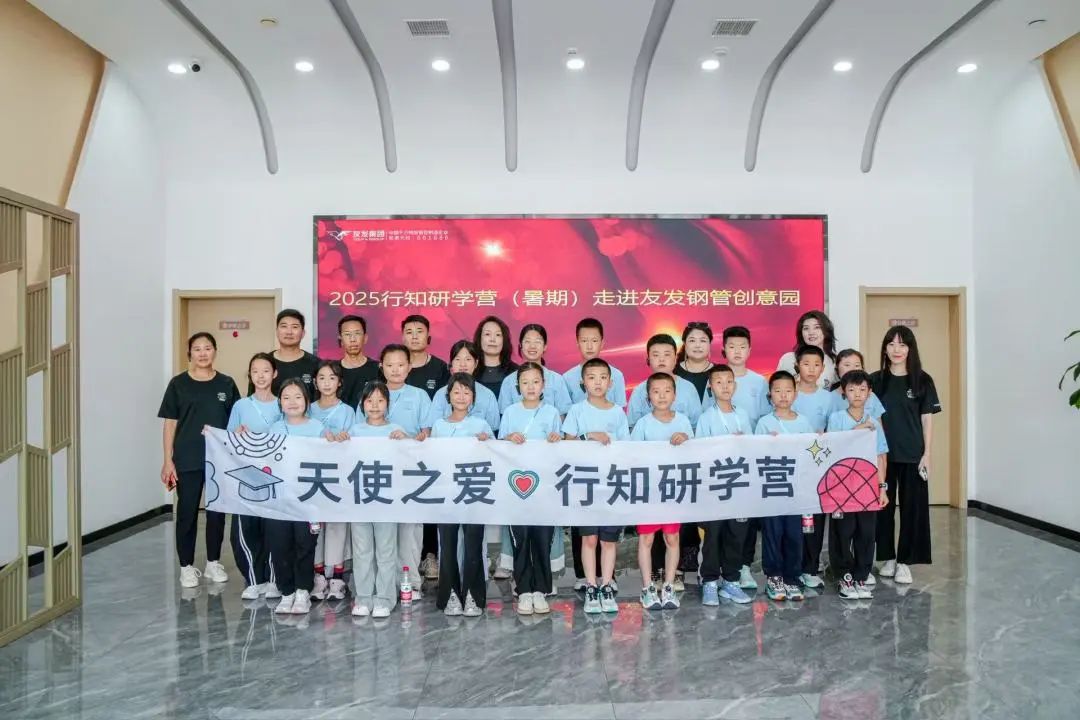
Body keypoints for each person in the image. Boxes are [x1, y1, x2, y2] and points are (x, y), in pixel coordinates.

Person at [159, 332, 240, 589]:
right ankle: (186, 567)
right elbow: (170, 424)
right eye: (197, 349)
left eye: (207, 348)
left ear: (215, 351)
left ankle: (213, 563)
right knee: (187, 512)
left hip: (220, 460)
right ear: (190, 353)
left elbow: (235, 422)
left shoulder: (226, 383)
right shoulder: (178, 384)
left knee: (216, 514)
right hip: (187, 458)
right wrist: (167, 460)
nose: (203, 353)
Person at [420, 339, 501, 580]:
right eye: (458, 359)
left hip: (474, 479)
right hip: (447, 481)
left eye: (468, 359)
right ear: (450, 364)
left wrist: (485, 441)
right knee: (448, 536)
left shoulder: (486, 398)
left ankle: (476, 580)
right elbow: (433, 437)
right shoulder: (440, 398)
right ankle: (450, 581)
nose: (463, 363)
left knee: (475, 535)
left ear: (476, 363)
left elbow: (494, 438)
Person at [871, 326, 940, 585]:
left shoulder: (923, 380)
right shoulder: (876, 380)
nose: (896, 350)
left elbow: (927, 419)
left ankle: (904, 562)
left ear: (910, 349)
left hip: (913, 456)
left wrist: (927, 454)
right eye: (891, 344)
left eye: (902, 344)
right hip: (882, 457)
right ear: (885, 349)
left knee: (913, 510)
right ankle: (888, 557)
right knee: (882, 510)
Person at [561, 358, 628, 615]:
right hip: (584, 483)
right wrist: (588, 436)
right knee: (588, 538)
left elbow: (627, 448)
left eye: (602, 377)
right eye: (591, 377)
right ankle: (591, 585)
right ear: (583, 382)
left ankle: (607, 584)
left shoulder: (617, 412)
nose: (597, 382)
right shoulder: (577, 410)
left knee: (608, 540)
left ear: (610, 383)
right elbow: (567, 443)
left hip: (611, 483)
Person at [498, 362, 562, 615]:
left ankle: (541, 589)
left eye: (536, 382)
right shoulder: (511, 412)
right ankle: (524, 589)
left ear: (543, 385)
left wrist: (556, 439)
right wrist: (508, 439)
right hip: (517, 487)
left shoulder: (552, 412)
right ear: (518, 387)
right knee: (521, 538)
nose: (531, 387)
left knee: (542, 538)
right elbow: (501, 446)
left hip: (545, 486)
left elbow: (560, 450)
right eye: (525, 382)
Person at [340, 381, 406, 618]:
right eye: (369, 401)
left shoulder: (396, 430)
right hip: (359, 500)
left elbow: (410, 460)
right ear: (362, 404)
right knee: (362, 551)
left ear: (388, 403)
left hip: (387, 501)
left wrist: (406, 440)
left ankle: (385, 599)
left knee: (386, 551)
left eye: (380, 400)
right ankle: (363, 598)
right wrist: (340, 441)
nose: (375, 405)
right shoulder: (355, 431)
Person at [432, 373, 493, 618]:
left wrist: (486, 443)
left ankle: (473, 595)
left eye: (467, 392)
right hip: (446, 494)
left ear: (473, 398)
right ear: (448, 396)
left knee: (473, 545)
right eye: (456, 391)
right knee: (447, 547)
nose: (461, 396)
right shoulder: (439, 426)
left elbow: (495, 457)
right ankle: (450, 595)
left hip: (474, 491)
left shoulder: (481, 425)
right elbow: (432, 459)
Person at [630, 373, 692, 610]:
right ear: (648, 397)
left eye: (667, 391)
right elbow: (632, 456)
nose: (662, 396)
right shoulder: (643, 424)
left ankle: (668, 585)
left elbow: (695, 453)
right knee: (646, 538)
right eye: (656, 391)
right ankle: (647, 587)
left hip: (674, 490)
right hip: (649, 491)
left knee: (672, 538)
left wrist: (686, 439)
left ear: (674, 395)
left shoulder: (683, 421)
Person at [375, 343, 432, 594]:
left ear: (409, 367)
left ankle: (411, 583)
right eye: (390, 365)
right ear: (381, 367)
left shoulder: (419, 396)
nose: (395, 369)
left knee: (410, 530)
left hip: (411, 471)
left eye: (401, 365)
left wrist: (411, 438)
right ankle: (385, 583)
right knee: (384, 529)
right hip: (380, 472)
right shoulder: (373, 393)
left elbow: (427, 433)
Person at [827, 369, 889, 600]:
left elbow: (881, 456)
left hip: (867, 488)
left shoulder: (874, 422)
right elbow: (833, 448)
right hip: (841, 488)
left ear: (869, 392)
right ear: (844, 392)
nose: (858, 394)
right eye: (852, 389)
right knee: (843, 533)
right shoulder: (836, 419)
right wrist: (857, 431)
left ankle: (861, 577)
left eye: (863, 389)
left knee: (866, 534)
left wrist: (882, 488)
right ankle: (844, 577)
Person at [266, 379, 326, 614]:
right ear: (280, 402)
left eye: (298, 397)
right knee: (280, 546)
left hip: (309, 500)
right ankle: (287, 592)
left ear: (307, 400)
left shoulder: (318, 428)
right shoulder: (274, 429)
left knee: (305, 545)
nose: (292, 402)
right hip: (279, 501)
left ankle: (302, 591)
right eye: (286, 397)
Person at [695, 365, 753, 605]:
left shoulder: (743, 415)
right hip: (714, 486)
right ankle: (709, 581)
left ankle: (731, 580)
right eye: (718, 382)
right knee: (712, 535)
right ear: (711, 387)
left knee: (736, 535)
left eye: (729, 381)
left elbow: (752, 447)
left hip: (738, 484)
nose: (725, 386)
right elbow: (699, 451)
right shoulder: (706, 417)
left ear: (735, 386)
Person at [719, 325, 770, 591]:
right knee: (723, 514)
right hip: (721, 459)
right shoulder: (717, 378)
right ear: (723, 349)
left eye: (742, 347)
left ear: (749, 350)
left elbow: (764, 418)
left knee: (747, 514)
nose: (737, 352)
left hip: (750, 457)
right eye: (732, 346)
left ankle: (744, 566)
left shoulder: (759, 382)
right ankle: (722, 565)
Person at [226, 352, 281, 600]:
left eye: (266, 371)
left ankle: (273, 580)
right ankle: (253, 579)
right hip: (247, 477)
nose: (260, 376)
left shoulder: (283, 403)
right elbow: (228, 441)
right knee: (246, 530)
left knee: (273, 530)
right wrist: (234, 434)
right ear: (249, 375)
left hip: (275, 478)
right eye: (255, 371)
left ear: (274, 374)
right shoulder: (241, 406)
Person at [755, 371, 813, 602]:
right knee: (772, 533)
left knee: (794, 534)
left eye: (788, 390)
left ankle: (792, 577)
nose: (783, 395)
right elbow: (755, 454)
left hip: (797, 489)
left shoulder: (804, 422)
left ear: (795, 394)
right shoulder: (764, 423)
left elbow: (811, 452)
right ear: (770, 395)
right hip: (772, 487)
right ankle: (774, 577)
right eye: (777, 391)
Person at [308, 361, 356, 602]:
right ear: (315, 382)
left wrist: (345, 439)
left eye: (332, 378)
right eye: (322, 377)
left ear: (340, 382)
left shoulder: (348, 411)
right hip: (312, 476)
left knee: (337, 525)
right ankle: (319, 577)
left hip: (339, 477)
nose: (327, 383)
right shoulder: (307, 409)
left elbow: (355, 443)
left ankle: (337, 578)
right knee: (316, 526)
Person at [790, 345, 834, 589]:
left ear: (823, 368)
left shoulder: (828, 398)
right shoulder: (788, 391)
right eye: (806, 364)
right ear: (797, 365)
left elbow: (835, 429)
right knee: (792, 518)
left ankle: (811, 566)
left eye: (816, 365)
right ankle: (792, 567)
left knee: (815, 517)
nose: (811, 369)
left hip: (818, 466)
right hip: (790, 466)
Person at [627, 334, 703, 428]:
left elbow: (698, 427)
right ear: (648, 359)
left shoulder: (689, 388)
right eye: (656, 355)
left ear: (675, 359)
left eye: (667, 354)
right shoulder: (639, 391)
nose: (661, 359)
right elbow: (631, 427)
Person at [498, 324, 572, 415]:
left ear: (545, 346)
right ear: (520, 345)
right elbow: (505, 416)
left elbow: (563, 414)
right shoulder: (509, 381)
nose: (532, 346)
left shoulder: (556, 380)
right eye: (527, 341)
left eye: (537, 341)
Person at [250, 309, 320, 397]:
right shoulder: (264, 363)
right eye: (284, 326)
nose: (289, 332)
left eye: (295, 327)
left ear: (303, 333)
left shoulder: (316, 364)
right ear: (277, 331)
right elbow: (252, 398)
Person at [562, 318, 627, 407]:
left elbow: (620, 410)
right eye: (584, 341)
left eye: (594, 341)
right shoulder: (567, 378)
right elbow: (565, 412)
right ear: (577, 343)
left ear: (602, 343)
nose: (589, 346)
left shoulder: (616, 375)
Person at [776, 310, 838, 390]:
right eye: (806, 328)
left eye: (817, 327)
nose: (811, 332)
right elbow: (776, 389)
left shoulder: (834, 361)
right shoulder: (788, 359)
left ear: (826, 331)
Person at [402, 314, 450, 399]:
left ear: (428, 337)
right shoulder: (394, 366)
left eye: (419, 332)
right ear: (403, 338)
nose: (414, 337)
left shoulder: (441, 368)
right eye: (409, 332)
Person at [828, 349, 886, 419]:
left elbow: (878, 424)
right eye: (847, 365)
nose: (852, 369)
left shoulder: (870, 396)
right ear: (837, 368)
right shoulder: (829, 399)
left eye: (857, 365)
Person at [337, 314, 380, 408]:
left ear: (365, 338)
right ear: (340, 339)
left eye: (357, 333)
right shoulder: (333, 370)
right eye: (347, 334)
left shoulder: (378, 369)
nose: (352, 339)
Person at [473, 315, 517, 399]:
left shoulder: (516, 372)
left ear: (504, 340)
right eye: (487, 334)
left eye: (498, 335)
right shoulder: (470, 371)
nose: (492, 339)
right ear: (479, 339)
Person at [674, 321, 715, 400]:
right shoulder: (673, 371)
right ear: (684, 343)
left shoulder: (720, 371)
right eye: (692, 340)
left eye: (703, 341)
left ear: (710, 343)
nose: (697, 345)